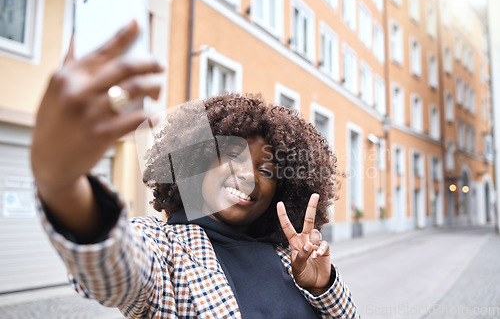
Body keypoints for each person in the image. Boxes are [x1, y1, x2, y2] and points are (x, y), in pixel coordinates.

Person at [31, 21, 360, 318]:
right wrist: (61, 182)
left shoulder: (290, 256)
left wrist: (323, 287)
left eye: (268, 171)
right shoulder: (164, 249)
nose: (248, 175)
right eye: (233, 154)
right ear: (199, 161)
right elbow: (113, 269)